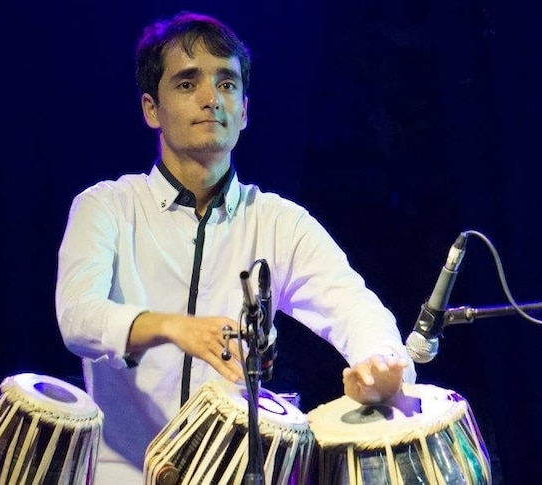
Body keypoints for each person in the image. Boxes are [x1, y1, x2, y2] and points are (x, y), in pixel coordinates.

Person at [55, 11, 417, 483]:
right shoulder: (106, 207)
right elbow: (78, 318)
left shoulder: (278, 222)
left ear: (244, 110)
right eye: (187, 84)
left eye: (226, 84)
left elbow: (354, 308)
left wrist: (382, 363)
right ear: (151, 109)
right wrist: (174, 328)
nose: (211, 99)